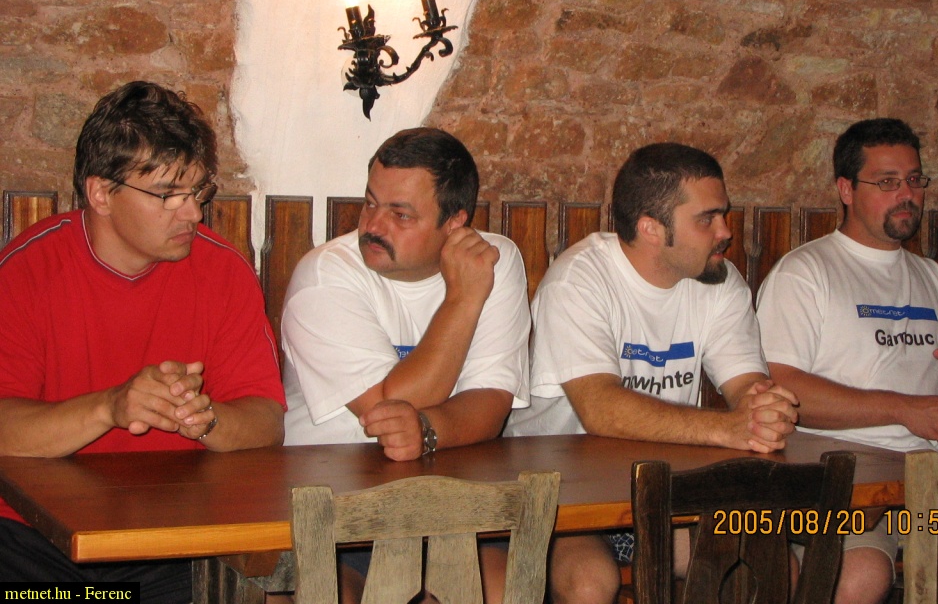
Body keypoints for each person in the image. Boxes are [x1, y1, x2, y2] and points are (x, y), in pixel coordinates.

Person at [0, 81, 286, 599]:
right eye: (168, 195)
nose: (193, 213)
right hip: (29, 537)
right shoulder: (27, 270)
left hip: (174, 539)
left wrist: (206, 418)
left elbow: (267, 420)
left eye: (198, 192)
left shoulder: (223, 272)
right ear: (101, 194)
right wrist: (111, 406)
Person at [505, 142, 799, 604]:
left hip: (661, 493)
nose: (726, 231)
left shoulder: (719, 280)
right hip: (561, 497)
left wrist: (764, 411)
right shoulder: (580, 279)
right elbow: (601, 408)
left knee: (767, 561)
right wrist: (728, 428)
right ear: (651, 229)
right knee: (589, 585)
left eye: (724, 215)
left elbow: (746, 386)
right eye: (707, 219)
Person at [756, 117, 938, 604]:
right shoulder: (805, 272)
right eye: (888, 182)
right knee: (861, 576)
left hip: (930, 500)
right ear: (846, 189)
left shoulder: (934, 278)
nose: (907, 195)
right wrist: (903, 409)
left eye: (914, 180)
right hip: (844, 490)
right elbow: (783, 389)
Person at [281, 126, 531, 601]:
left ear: (454, 223)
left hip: (449, 504)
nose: (373, 226)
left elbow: (491, 401)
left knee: (504, 592)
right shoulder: (325, 275)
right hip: (332, 511)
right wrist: (462, 300)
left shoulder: (493, 260)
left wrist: (428, 430)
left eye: (400, 214)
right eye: (370, 203)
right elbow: (386, 411)